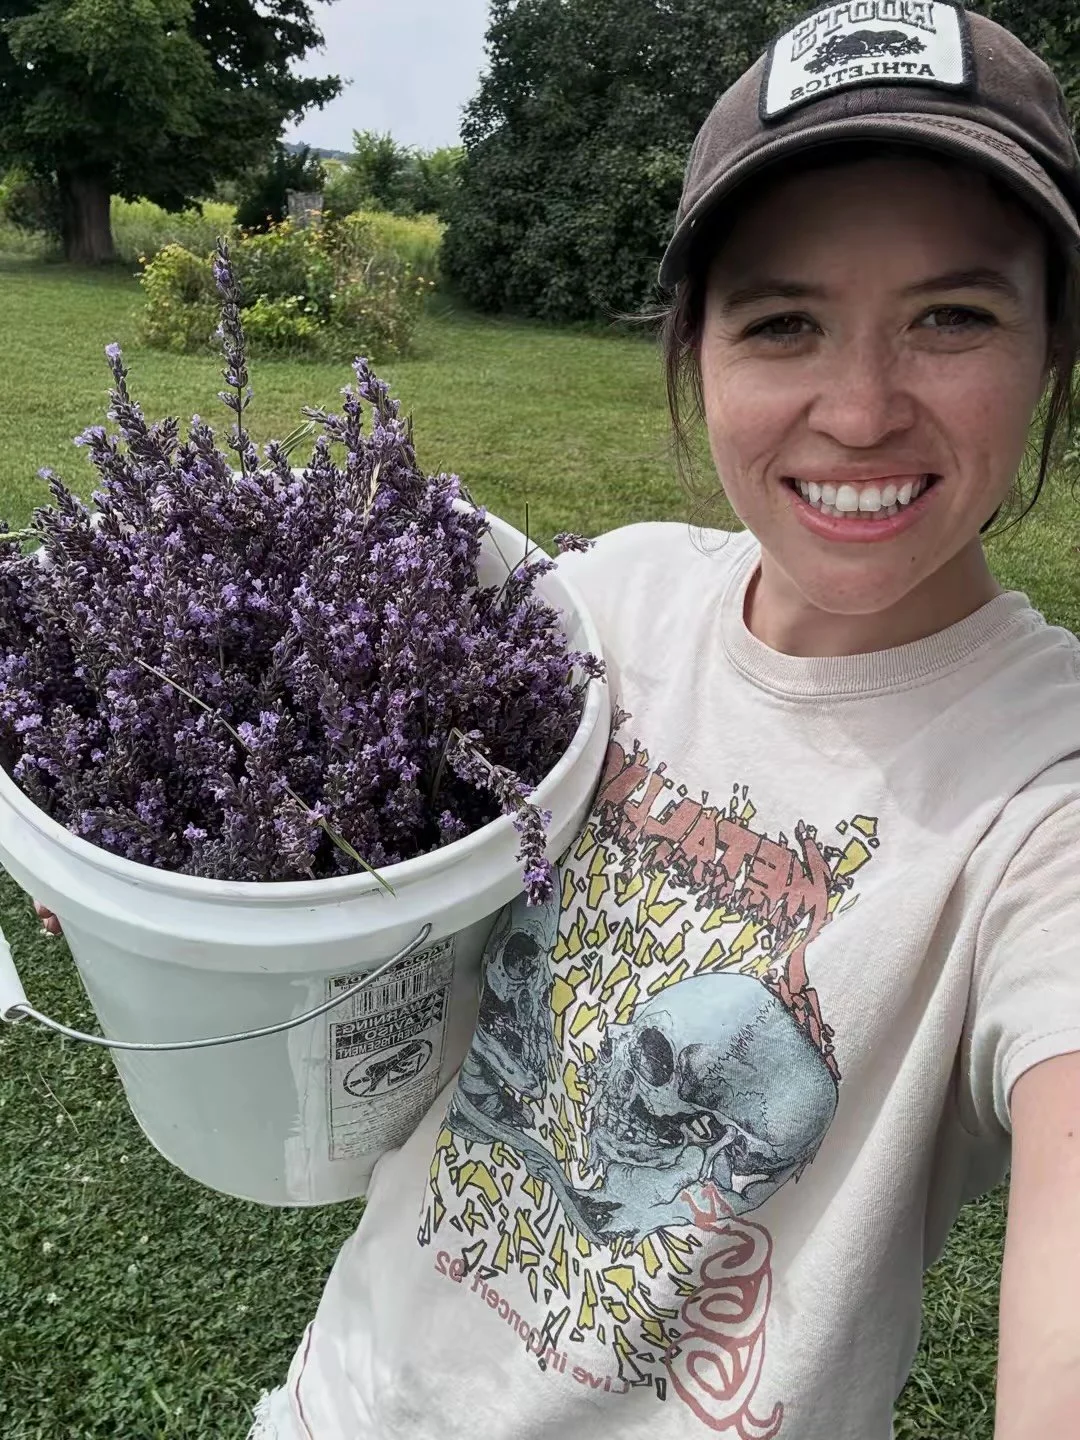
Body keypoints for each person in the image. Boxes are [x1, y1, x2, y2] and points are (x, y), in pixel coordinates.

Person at [42, 7, 1080, 1437]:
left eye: (952, 317)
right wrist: (141, 886)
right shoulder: (596, 615)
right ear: (697, 349)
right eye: (783, 321)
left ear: (1051, 344)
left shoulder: (1045, 791)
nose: (857, 409)